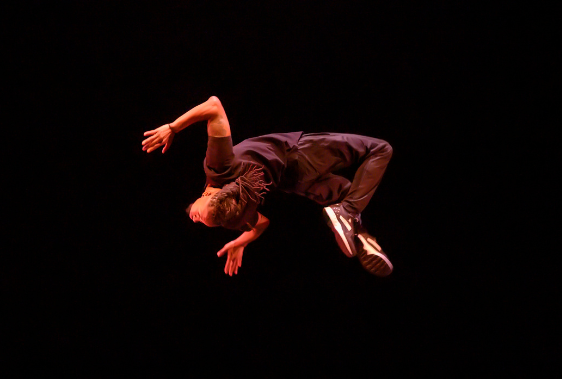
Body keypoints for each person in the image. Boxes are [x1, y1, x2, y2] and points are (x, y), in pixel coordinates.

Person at [142, 96, 394, 277]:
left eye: (196, 217)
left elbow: (261, 223)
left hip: (296, 181)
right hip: (297, 156)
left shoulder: (235, 204)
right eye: (206, 219)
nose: (194, 219)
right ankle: (348, 216)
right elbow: (214, 105)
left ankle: (362, 235)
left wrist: (243, 239)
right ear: (209, 193)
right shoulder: (219, 171)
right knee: (380, 150)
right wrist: (172, 127)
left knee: (348, 193)